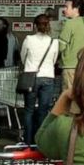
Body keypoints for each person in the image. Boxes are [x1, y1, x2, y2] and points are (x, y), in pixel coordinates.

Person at [18, 12, 62, 146]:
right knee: (43, 110)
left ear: (35, 26)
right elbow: (54, 60)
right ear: (48, 26)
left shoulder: (28, 39)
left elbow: (23, 56)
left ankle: (28, 141)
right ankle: (40, 140)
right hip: (48, 77)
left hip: (31, 77)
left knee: (29, 110)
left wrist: (30, 65)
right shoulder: (54, 42)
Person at [57, 0, 84, 92]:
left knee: (69, 97)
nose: (64, 10)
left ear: (76, 9)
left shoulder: (69, 23)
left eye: (66, 7)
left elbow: (61, 47)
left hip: (70, 66)